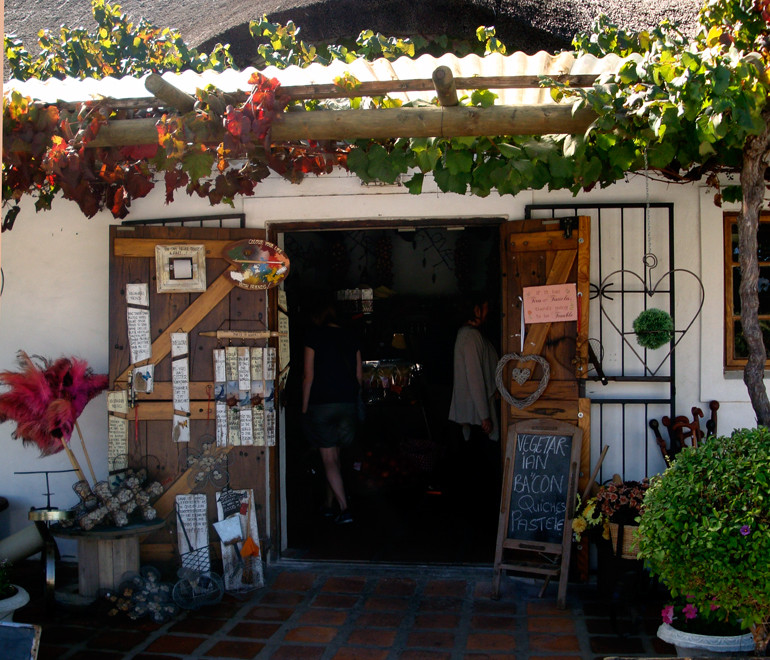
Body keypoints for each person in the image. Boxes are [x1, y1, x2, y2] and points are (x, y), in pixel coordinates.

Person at [302, 299, 362, 525]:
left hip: (321, 404)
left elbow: (308, 377)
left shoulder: (313, 337)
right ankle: (329, 506)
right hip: (346, 404)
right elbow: (358, 377)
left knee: (328, 458)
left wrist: (305, 408)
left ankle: (345, 508)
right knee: (336, 457)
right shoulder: (351, 337)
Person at [448, 295, 499, 442]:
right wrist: (484, 416)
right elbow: (474, 376)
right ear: (476, 310)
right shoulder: (471, 336)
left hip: (474, 415)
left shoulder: (468, 334)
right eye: (485, 307)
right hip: (476, 418)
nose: (488, 310)